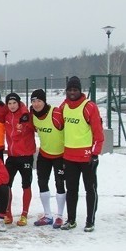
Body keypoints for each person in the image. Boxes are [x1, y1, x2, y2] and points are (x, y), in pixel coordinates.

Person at [57, 76, 105, 232]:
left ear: (80, 90)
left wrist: (95, 153)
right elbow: (57, 123)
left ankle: (90, 221)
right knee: (71, 190)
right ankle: (71, 220)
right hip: (69, 156)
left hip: (86, 156)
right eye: (69, 90)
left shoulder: (89, 106)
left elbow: (98, 133)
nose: (72, 92)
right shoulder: (64, 106)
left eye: (75, 90)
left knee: (90, 189)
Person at [30, 88, 66, 227]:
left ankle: (60, 216)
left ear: (44, 101)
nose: (36, 104)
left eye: (39, 100)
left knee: (60, 184)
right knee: (42, 183)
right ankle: (47, 215)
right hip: (44, 154)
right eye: (33, 101)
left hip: (60, 155)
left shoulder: (56, 113)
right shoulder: (33, 115)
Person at [3, 92, 36, 226]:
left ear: (19, 103)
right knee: (6, 184)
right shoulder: (6, 115)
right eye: (9, 103)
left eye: (14, 103)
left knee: (26, 184)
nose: (12, 106)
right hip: (12, 156)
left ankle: (24, 214)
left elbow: (36, 128)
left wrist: (28, 117)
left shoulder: (26, 115)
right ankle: (8, 213)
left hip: (26, 156)